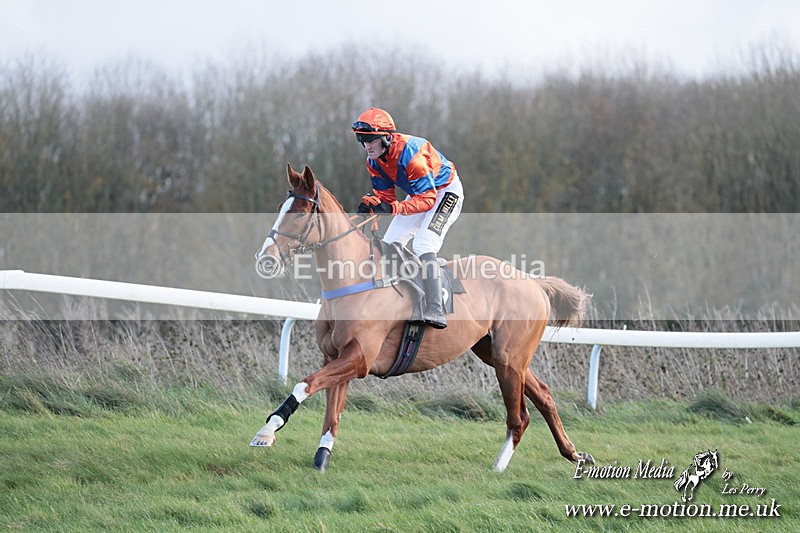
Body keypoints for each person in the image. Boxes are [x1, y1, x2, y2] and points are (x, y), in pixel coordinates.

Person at [353, 107, 463, 329]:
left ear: (386, 137)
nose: (367, 146)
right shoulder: (373, 161)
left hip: (445, 192)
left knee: (423, 243)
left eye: (371, 140)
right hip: (420, 194)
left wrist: (393, 207)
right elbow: (386, 198)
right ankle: (407, 297)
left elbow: (429, 200)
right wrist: (374, 205)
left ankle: (435, 307)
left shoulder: (411, 154)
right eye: (362, 140)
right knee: (389, 244)